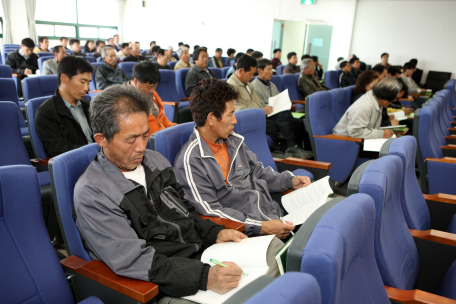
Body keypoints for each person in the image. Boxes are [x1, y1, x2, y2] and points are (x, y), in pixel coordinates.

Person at [74, 84, 282, 302]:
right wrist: (204, 277)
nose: (141, 147)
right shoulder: (94, 193)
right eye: (131, 139)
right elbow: (133, 260)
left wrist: (214, 233)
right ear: (101, 140)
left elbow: (187, 213)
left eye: (145, 135)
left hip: (200, 253)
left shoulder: (156, 162)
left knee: (273, 252)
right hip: (161, 281)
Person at [175, 78, 310, 240]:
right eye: (230, 114)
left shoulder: (233, 142)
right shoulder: (191, 161)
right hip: (247, 233)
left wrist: (289, 181)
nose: (235, 120)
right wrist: (261, 227)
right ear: (211, 119)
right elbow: (210, 210)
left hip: (271, 215)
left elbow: (259, 173)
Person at [228, 55, 312, 159]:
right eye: (250, 74)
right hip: (248, 120)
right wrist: (262, 111)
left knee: (293, 121)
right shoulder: (232, 86)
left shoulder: (247, 84)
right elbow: (239, 110)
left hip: (258, 115)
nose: (251, 77)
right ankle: (288, 147)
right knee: (282, 121)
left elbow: (256, 103)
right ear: (241, 70)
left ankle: (290, 148)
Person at [35, 56, 94, 157]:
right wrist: (95, 151)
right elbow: (59, 150)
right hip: (77, 165)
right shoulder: (46, 113)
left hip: (101, 160)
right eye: (82, 82)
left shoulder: (89, 106)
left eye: (88, 83)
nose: (86, 88)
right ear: (64, 78)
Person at [333, 77, 400, 139]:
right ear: (384, 99)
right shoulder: (364, 106)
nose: (393, 101)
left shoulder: (377, 101)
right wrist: (381, 133)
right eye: (392, 100)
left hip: (359, 140)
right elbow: (355, 132)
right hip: (346, 141)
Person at [125, 61, 176, 136]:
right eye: (150, 87)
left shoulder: (150, 93)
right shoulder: (125, 99)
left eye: (155, 86)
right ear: (136, 81)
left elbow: (161, 117)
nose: (152, 90)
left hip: (161, 135)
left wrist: (175, 127)